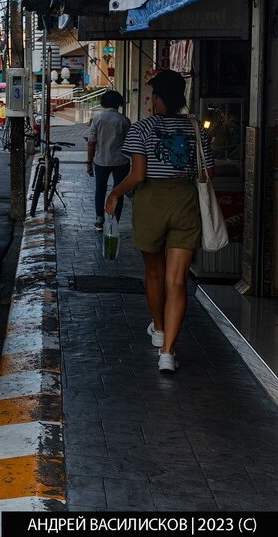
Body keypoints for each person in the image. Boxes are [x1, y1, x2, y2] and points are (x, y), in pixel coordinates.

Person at [105, 69, 212, 373]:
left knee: (154, 274)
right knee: (177, 281)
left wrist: (114, 194)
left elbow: (138, 175)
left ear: (159, 99)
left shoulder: (142, 128)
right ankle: (167, 353)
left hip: (151, 202)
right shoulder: (197, 130)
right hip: (185, 202)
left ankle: (160, 328)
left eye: (153, 96)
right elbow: (208, 174)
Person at [87, 89, 131, 231]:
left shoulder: (97, 119)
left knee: (100, 189)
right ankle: (114, 221)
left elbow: (91, 142)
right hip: (121, 161)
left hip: (101, 160)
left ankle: (99, 220)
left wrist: (89, 162)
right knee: (118, 191)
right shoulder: (124, 120)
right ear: (119, 103)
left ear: (103, 103)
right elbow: (129, 143)